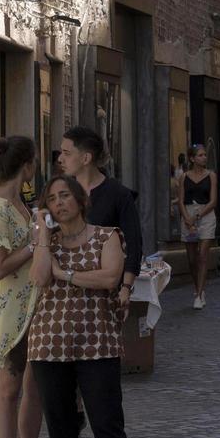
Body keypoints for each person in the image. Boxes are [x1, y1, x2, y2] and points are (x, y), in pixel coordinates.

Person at [28, 174, 137, 438]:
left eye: (65, 196)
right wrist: (43, 234)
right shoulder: (47, 242)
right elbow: (39, 278)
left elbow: (109, 278)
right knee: (59, 421)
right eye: (52, 199)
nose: (59, 203)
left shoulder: (107, 236)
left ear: (79, 200)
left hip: (98, 341)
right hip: (49, 342)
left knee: (106, 420)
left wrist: (67, 275)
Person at [0, 136, 58, 438]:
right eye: (35, 162)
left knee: (34, 387)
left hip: (35, 303)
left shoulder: (21, 203)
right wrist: (34, 243)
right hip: (12, 308)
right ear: (26, 166)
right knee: (8, 389)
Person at [57, 127, 142, 313]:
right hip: (63, 292)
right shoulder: (60, 193)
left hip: (104, 293)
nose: (60, 159)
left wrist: (126, 288)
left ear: (86, 158)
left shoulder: (118, 194)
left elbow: (133, 243)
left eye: (66, 153)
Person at [177, 144, 218, 309]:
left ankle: (199, 295)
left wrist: (197, 216)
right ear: (192, 158)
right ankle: (197, 287)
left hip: (205, 214)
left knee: (202, 255)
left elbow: (213, 200)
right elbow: (180, 200)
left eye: (204, 155)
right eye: (200, 155)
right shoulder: (184, 177)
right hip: (188, 214)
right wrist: (187, 218)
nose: (204, 158)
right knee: (192, 259)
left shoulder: (211, 176)